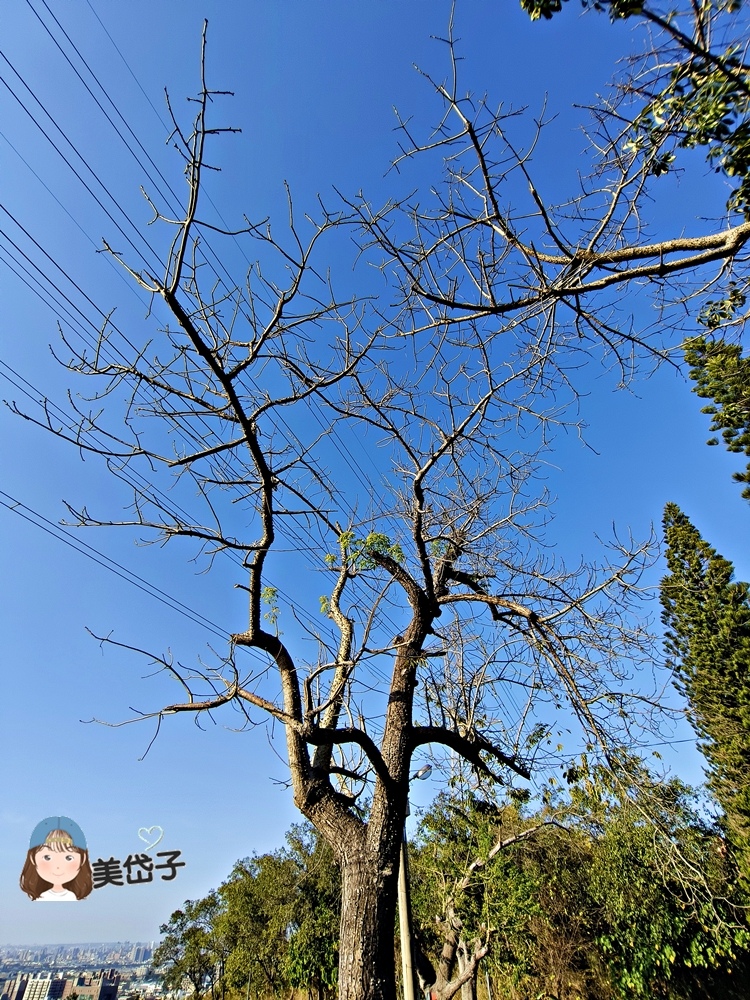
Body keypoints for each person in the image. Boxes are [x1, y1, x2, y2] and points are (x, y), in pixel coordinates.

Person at [20, 816, 93, 900]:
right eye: (47, 857)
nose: (58, 867)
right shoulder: (41, 898)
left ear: (83, 859)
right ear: (32, 858)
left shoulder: (73, 898)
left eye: (68, 858)